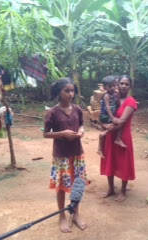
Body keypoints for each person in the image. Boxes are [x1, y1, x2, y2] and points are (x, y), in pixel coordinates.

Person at [43, 77, 88, 233]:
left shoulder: (77, 109)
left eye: (72, 90)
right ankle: (62, 216)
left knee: (77, 185)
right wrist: (62, 133)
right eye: (67, 91)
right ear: (59, 92)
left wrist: (81, 131)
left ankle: (75, 213)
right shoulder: (52, 112)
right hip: (61, 155)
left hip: (77, 153)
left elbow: (81, 124)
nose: (70, 94)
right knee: (61, 187)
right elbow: (45, 134)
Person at [100, 75, 138, 202]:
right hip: (111, 136)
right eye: (121, 83)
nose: (123, 86)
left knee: (124, 162)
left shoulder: (131, 101)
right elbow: (103, 115)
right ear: (117, 84)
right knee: (110, 161)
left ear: (130, 86)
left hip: (123, 136)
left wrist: (105, 131)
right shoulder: (112, 98)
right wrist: (104, 125)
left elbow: (122, 121)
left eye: (127, 84)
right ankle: (111, 188)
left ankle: (123, 190)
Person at [96, 76, 127, 158]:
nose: (113, 88)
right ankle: (116, 138)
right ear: (104, 87)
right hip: (105, 116)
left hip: (108, 115)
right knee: (118, 122)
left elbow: (117, 103)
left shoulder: (114, 94)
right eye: (110, 86)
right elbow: (107, 107)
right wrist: (112, 117)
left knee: (116, 123)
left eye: (114, 85)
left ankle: (100, 146)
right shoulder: (106, 96)